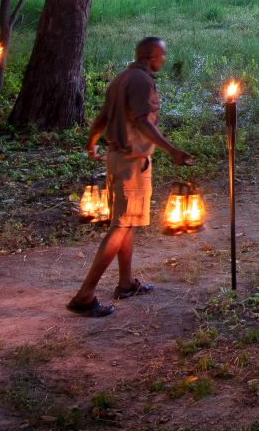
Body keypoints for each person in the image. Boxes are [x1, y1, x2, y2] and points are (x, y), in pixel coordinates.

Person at [68, 35, 192, 316]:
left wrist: (91, 143)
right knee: (121, 225)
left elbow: (101, 118)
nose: (164, 59)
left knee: (127, 222)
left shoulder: (120, 79)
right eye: (162, 55)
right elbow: (143, 121)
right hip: (131, 162)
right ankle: (85, 295)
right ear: (150, 56)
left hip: (117, 159)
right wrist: (171, 150)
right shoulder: (141, 81)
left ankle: (125, 282)